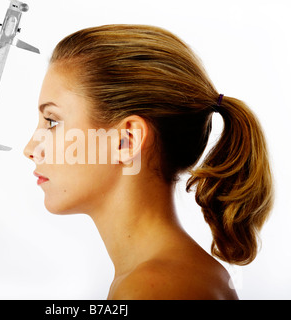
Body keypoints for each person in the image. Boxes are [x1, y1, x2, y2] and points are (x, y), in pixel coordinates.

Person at [23, 24, 274, 300]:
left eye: (52, 121)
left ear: (126, 140)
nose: (30, 149)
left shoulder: (153, 289)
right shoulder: (166, 278)